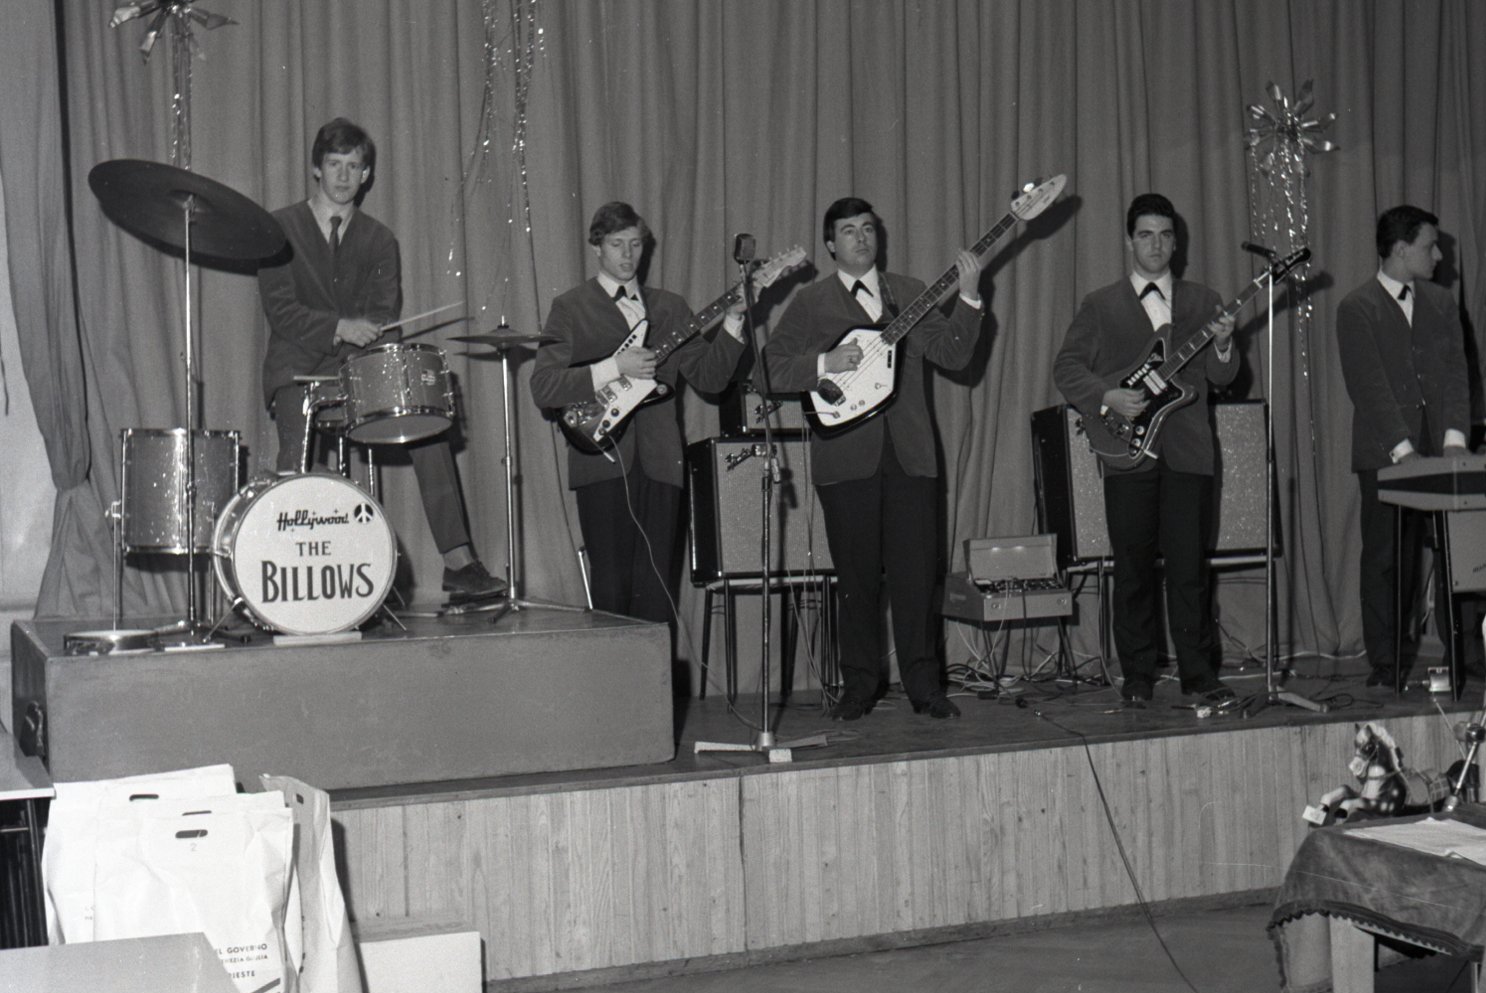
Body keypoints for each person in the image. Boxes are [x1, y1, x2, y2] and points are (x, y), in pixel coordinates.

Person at [258, 117, 504, 602]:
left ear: (367, 174)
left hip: (357, 370)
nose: (343, 176)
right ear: (316, 168)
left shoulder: (379, 239)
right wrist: (338, 327)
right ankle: (297, 572)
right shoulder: (279, 229)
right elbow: (280, 310)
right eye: (334, 164)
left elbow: (382, 314)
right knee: (298, 454)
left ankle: (459, 563)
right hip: (296, 373)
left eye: (354, 166)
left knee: (428, 422)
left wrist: (363, 335)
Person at [765, 197, 985, 721]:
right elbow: (767, 370)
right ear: (830, 244)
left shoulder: (909, 292)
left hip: (911, 457)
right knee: (857, 581)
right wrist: (824, 363)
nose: (861, 238)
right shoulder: (811, 303)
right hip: (845, 460)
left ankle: (925, 687)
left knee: (917, 580)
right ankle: (859, 687)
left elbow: (953, 355)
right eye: (848, 230)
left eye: (867, 228)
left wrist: (970, 296)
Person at [1053, 192, 1238, 708]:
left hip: (1188, 452)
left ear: (1176, 243)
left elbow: (1223, 377)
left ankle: (1198, 673)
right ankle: (1137, 675)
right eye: (1145, 235)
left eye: (1164, 235)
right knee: (1132, 568)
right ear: (1129, 242)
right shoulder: (1101, 304)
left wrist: (1225, 345)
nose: (1155, 245)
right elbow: (1067, 368)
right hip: (1127, 451)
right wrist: (1107, 395)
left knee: (1189, 570)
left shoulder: (1203, 300)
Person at [530, 201, 746, 626]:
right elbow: (544, 387)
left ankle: (655, 673)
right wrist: (615, 367)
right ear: (597, 247)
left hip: (662, 462)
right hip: (600, 459)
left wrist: (734, 322)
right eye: (617, 244)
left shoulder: (671, 306)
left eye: (635, 244)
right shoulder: (571, 307)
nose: (628, 254)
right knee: (610, 592)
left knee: (658, 592)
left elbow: (711, 378)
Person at [1335, 203, 1472, 687]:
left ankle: (1465, 654)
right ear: (1399, 249)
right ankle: (1387, 662)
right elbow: (1368, 386)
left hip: (1440, 454)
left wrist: (1454, 441)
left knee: (1460, 553)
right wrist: (1403, 452)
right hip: (1386, 456)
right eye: (1429, 246)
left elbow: (1457, 374)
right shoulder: (1357, 307)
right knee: (1387, 560)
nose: (1438, 256)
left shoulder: (1441, 303)